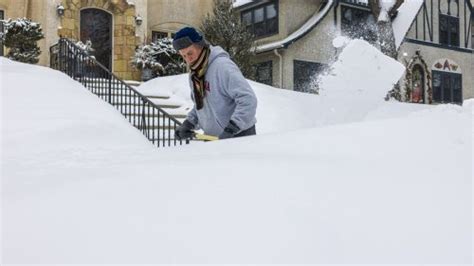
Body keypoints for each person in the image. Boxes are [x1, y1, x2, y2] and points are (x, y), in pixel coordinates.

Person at [173, 27, 257, 140]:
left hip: (240, 136)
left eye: (190, 53)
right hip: (213, 138)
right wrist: (189, 123)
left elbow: (248, 99)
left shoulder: (222, 66)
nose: (188, 59)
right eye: (183, 56)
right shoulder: (195, 74)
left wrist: (232, 128)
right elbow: (201, 105)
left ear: (200, 46)